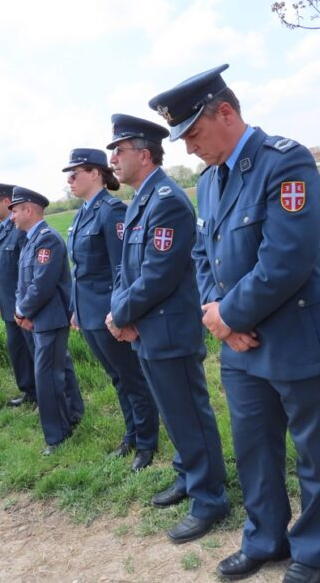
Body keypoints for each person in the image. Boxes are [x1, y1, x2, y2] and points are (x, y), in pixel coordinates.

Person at [150, 66, 320, 582]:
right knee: (254, 449)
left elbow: (286, 258)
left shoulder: (285, 162)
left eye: (193, 132)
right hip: (240, 346)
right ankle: (265, 538)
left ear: (227, 113)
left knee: (315, 454)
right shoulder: (211, 181)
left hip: (298, 338)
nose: (189, 148)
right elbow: (202, 254)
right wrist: (219, 317)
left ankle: (313, 551)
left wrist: (228, 315)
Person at [105, 113, 229, 544]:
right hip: (148, 329)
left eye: (118, 151)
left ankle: (210, 497)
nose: (112, 159)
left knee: (189, 415)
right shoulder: (142, 198)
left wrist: (121, 315)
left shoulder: (167, 201)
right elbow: (126, 269)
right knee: (175, 414)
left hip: (170, 331)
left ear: (143, 153)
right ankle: (188, 475)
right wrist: (118, 311)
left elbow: (157, 275)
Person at [62, 148, 159, 471]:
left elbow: (122, 269)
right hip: (88, 314)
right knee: (118, 378)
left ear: (95, 174)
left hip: (108, 313)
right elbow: (79, 272)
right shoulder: (81, 215)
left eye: (75, 174)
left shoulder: (111, 211)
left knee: (132, 378)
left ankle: (147, 443)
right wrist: (76, 309)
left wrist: (121, 314)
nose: (70, 181)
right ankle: (131, 434)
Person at [10, 187, 85, 455]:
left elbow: (42, 285)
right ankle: (74, 414)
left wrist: (22, 312)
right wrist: (22, 312)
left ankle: (58, 435)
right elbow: (23, 283)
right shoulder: (30, 240)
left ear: (29, 210)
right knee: (59, 370)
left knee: (47, 377)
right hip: (38, 318)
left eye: (16, 210)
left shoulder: (47, 240)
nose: (13, 217)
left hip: (50, 319)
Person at [0, 181, 36, 407]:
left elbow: (28, 270)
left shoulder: (20, 229)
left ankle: (45, 393)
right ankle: (30, 392)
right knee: (18, 350)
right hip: (9, 306)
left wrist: (25, 305)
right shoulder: (1, 228)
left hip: (24, 306)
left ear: (7, 201)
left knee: (34, 350)